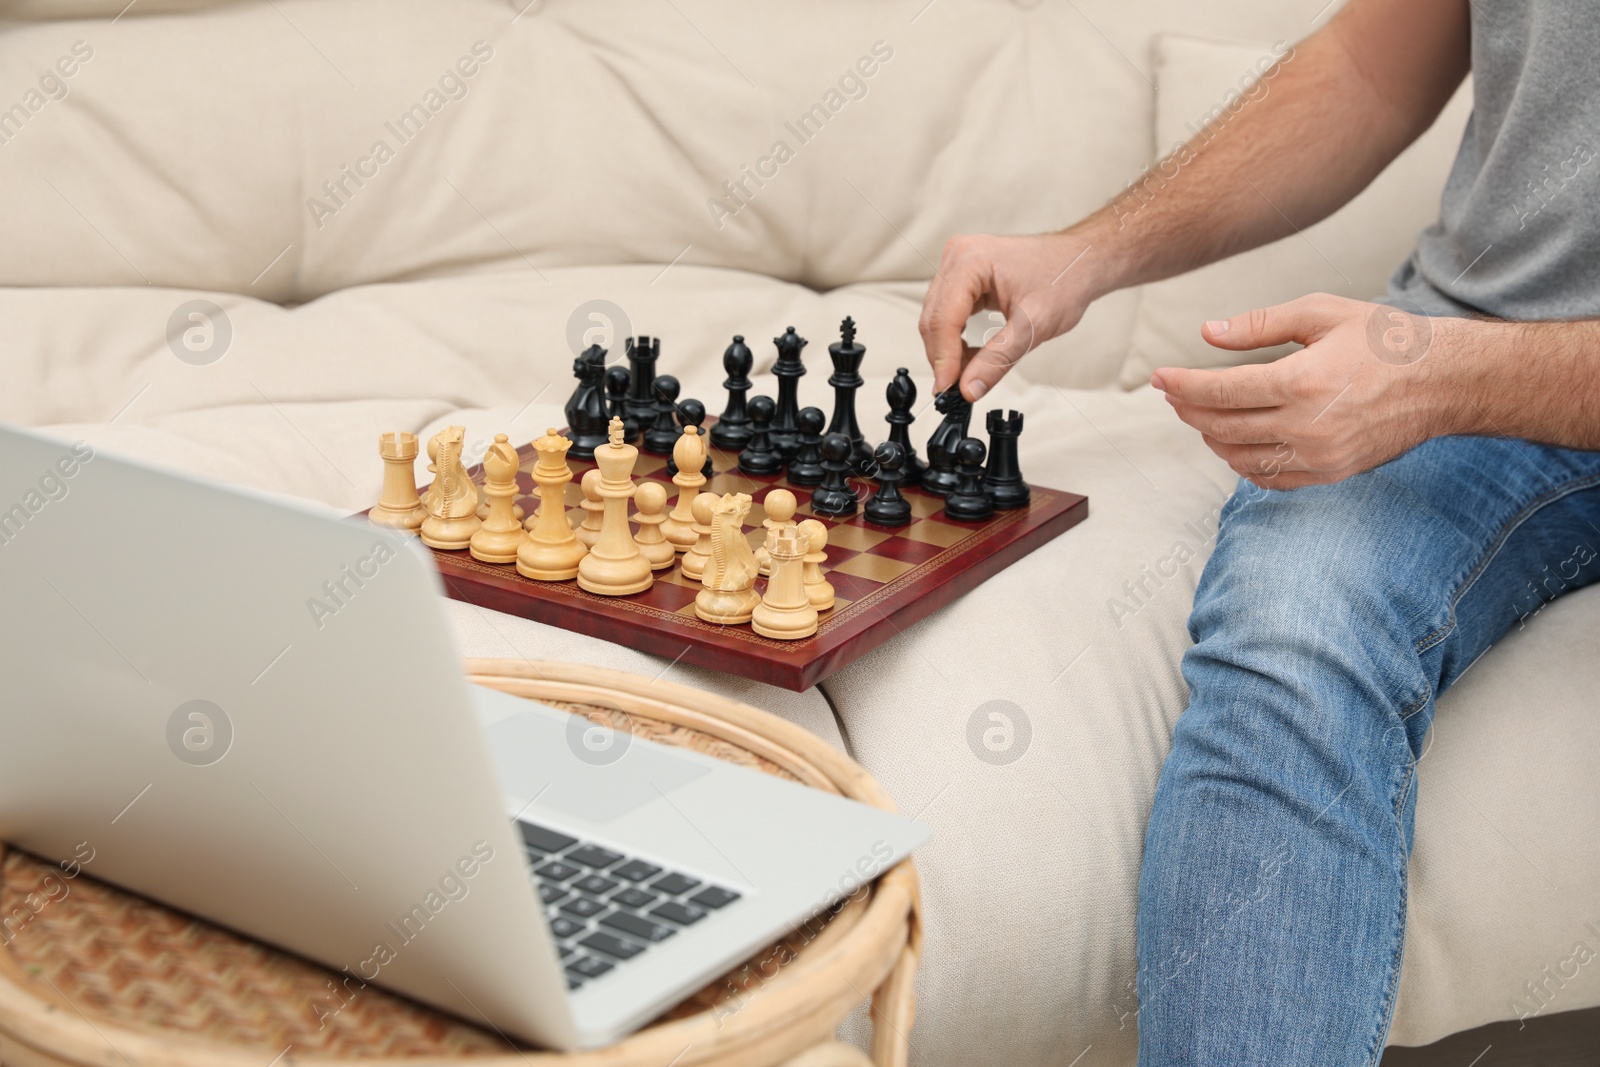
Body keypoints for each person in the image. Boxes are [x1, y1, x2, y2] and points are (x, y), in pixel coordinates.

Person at [918, 0, 1600, 1062]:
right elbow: (1369, 71)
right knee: (1296, 618)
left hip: (1468, 367)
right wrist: (1091, 251)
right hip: (1481, 352)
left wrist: (1437, 374)